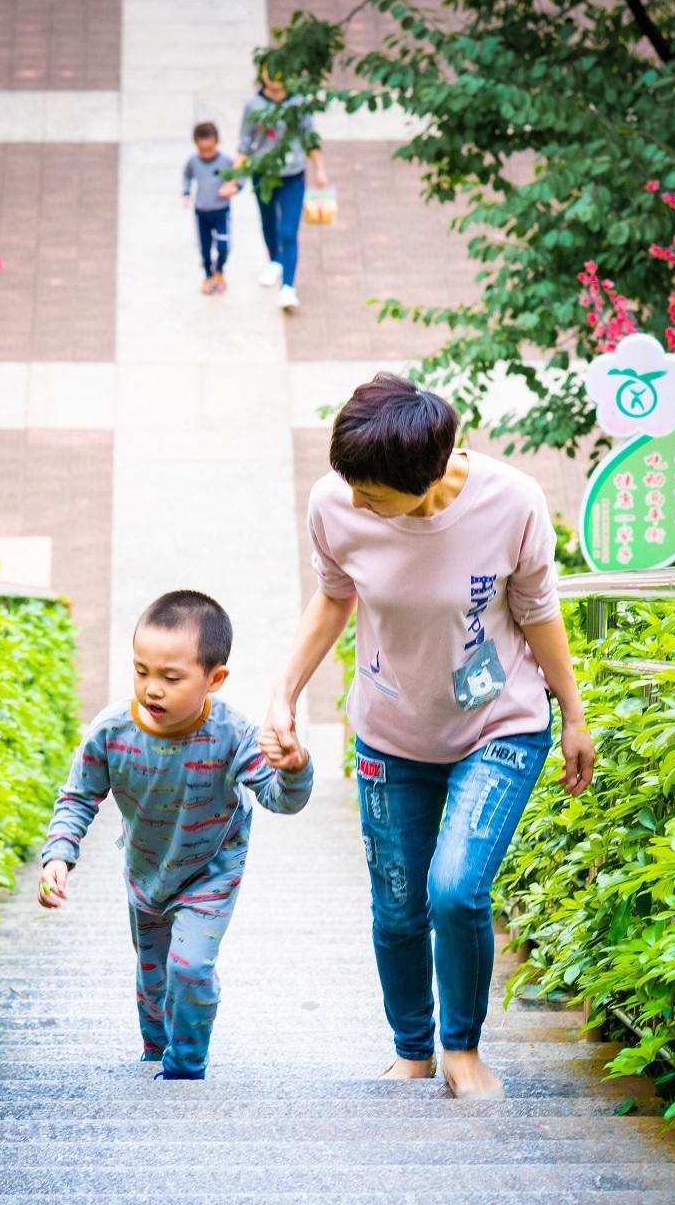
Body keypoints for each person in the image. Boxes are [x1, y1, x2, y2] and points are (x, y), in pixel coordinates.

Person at [260, 374, 595, 1100]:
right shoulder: (335, 502)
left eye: (372, 492)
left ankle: (461, 1047)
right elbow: (333, 594)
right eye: (349, 482)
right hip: (389, 732)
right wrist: (283, 693)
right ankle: (412, 1049)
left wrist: (574, 713)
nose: (355, 501)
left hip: (499, 725)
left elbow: (538, 611)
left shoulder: (512, 503)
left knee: (454, 891)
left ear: (430, 476)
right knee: (398, 901)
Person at [38, 590, 313, 1080]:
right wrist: (59, 855)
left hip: (213, 868)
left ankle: (186, 1066)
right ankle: (156, 1049)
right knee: (153, 977)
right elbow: (79, 796)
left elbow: (280, 800)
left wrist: (294, 769)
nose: (152, 689)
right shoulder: (111, 732)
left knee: (189, 967)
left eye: (171, 677)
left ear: (215, 679)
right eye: (141, 671)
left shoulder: (234, 735)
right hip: (147, 868)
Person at [236, 64, 328, 312]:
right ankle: (275, 261)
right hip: (263, 173)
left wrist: (319, 168)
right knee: (268, 223)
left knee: (288, 230)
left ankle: (288, 286)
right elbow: (245, 142)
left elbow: (310, 136)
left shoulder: (298, 103)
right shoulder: (254, 105)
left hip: (292, 174)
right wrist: (235, 176)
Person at [181, 122, 243, 295]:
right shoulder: (193, 162)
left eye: (210, 149)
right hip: (202, 211)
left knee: (224, 246)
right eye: (203, 150)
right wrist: (186, 193)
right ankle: (208, 275)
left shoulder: (226, 161)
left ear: (217, 142)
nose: (207, 154)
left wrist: (234, 188)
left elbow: (239, 178)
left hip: (221, 211)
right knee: (205, 247)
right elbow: (186, 176)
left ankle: (219, 270)